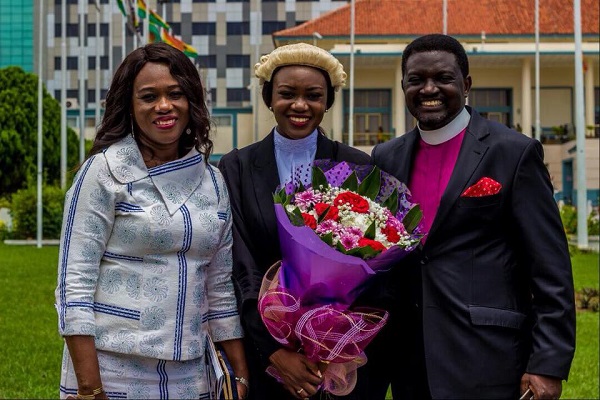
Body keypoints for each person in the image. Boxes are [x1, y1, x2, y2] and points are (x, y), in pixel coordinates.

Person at [368, 34, 575, 399]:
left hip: (488, 354)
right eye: (416, 80)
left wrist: (547, 363)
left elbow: (550, 268)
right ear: (404, 86)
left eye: (443, 78)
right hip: (409, 359)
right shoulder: (385, 158)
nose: (428, 88)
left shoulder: (513, 152)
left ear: (465, 85)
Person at [54, 42, 248, 399]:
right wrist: (89, 387)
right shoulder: (104, 172)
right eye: (148, 96)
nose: (164, 106)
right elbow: (74, 286)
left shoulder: (213, 181)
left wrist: (239, 375)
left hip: (193, 373)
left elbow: (219, 289)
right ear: (129, 105)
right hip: (113, 370)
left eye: (175, 94)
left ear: (192, 101)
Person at [218, 43, 371, 400]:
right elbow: (240, 265)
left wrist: (331, 344)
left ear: (328, 101)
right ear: (269, 97)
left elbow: (368, 260)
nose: (300, 105)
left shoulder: (356, 166)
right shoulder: (237, 167)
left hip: (336, 360)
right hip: (263, 355)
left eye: (313, 96)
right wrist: (275, 351)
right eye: (287, 94)